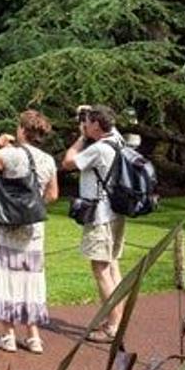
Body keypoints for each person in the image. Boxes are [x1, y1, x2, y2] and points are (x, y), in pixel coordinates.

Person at [0, 110, 59, 353]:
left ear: (22, 130)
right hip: (33, 231)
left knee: (4, 279)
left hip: (5, 227)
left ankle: (8, 336)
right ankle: (34, 337)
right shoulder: (48, 161)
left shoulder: (11, 155)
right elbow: (52, 195)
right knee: (29, 281)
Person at [63, 103, 126, 338]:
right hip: (117, 213)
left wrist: (81, 137)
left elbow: (68, 162)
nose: (85, 125)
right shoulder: (117, 139)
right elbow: (109, 121)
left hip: (100, 216)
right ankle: (118, 318)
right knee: (113, 266)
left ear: (97, 126)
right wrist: (88, 111)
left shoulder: (98, 149)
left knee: (100, 269)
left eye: (88, 122)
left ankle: (112, 327)